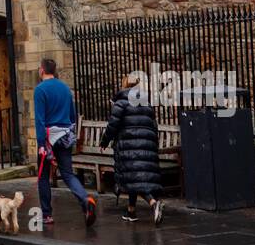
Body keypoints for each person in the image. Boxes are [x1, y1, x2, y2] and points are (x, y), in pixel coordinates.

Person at [34, 59, 96, 228]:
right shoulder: (66, 89)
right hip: (65, 135)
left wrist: (41, 144)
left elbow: (40, 120)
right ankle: (85, 199)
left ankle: (46, 215)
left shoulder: (40, 90)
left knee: (43, 177)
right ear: (55, 71)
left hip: (48, 137)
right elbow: (72, 115)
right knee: (68, 174)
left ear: (42, 70)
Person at [101, 74, 165, 225]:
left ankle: (153, 203)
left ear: (124, 85)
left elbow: (113, 125)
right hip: (145, 146)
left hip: (128, 147)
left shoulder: (121, 102)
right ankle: (131, 211)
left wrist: (105, 141)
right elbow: (154, 125)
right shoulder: (146, 103)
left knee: (134, 179)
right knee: (133, 178)